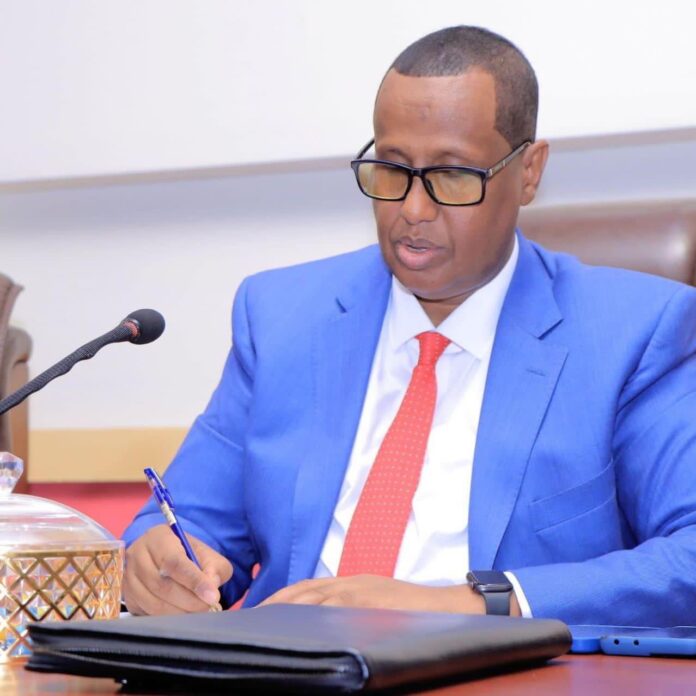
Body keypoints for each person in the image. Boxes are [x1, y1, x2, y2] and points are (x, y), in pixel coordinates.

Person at [122, 26, 696, 626]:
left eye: (454, 177)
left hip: (496, 666)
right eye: (391, 170)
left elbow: (687, 555)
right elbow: (187, 521)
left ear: (529, 171)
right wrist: (161, 564)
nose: (412, 211)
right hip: (288, 659)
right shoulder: (282, 316)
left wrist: (460, 604)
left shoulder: (635, 334)